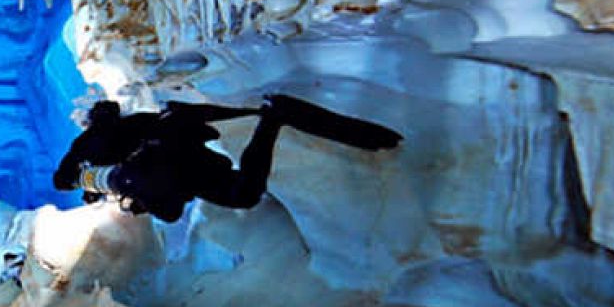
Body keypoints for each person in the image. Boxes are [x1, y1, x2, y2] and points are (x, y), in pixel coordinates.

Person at [53, 94, 402, 223]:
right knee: (242, 192)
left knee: (241, 195)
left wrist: (86, 182)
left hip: (166, 168)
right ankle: (270, 116)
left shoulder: (84, 146)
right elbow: (176, 119)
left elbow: (61, 178)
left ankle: (271, 118)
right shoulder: (131, 123)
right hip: (178, 157)